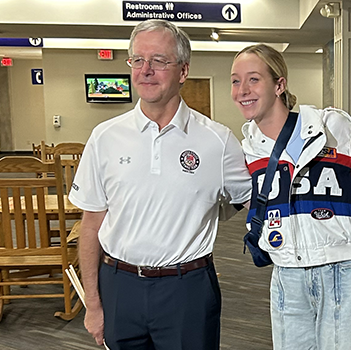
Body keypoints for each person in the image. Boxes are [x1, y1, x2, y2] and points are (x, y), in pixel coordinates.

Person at [70, 19, 252, 350]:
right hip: (119, 287)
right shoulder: (105, 137)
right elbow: (91, 225)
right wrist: (93, 305)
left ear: (183, 71)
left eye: (159, 60)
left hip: (188, 291)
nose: (146, 70)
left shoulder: (218, 141)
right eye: (138, 60)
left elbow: (251, 198)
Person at [230, 44, 351, 350]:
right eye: (235, 80)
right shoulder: (246, 150)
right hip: (286, 275)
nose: (242, 90)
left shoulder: (331, 127)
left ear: (279, 84)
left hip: (342, 270)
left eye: (253, 79)